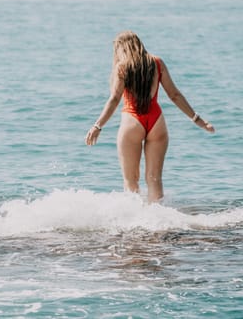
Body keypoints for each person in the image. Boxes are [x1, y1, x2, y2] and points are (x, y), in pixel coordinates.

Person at [85, 31, 215, 202]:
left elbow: (115, 99)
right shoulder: (157, 62)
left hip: (132, 122)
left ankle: (135, 221)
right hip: (156, 122)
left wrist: (98, 126)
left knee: (131, 180)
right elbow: (174, 95)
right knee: (154, 179)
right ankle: (158, 220)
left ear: (121, 48)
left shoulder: (122, 67)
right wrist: (198, 120)